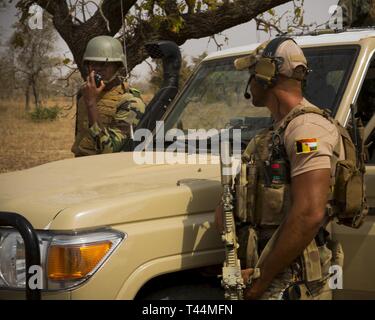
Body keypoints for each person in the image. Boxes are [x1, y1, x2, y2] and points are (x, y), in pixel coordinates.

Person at [227, 37, 347, 300]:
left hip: (293, 282)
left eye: (252, 72)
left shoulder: (307, 130)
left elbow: (309, 214)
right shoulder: (274, 132)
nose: (249, 81)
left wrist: (261, 280)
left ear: (265, 75)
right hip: (270, 274)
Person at [71, 36, 145, 157]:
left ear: (117, 66)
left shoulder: (131, 102)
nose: (98, 69)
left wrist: (91, 104)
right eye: (93, 64)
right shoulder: (84, 92)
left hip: (107, 168)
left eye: (104, 64)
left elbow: (109, 150)